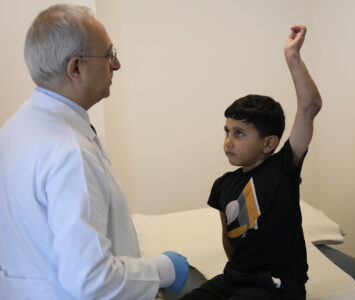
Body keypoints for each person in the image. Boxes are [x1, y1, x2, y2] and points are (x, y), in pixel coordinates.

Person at [0, 4, 188, 300]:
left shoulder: (13, 130)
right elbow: (91, 280)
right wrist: (164, 269)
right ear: (76, 68)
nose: (117, 65)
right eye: (109, 54)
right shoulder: (68, 150)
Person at [180, 25, 322, 300]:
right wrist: (237, 272)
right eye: (227, 131)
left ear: (269, 143)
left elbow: (310, 107)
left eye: (239, 133)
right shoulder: (223, 185)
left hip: (277, 284)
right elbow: (229, 237)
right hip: (235, 278)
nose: (228, 141)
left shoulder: (283, 168)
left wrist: (293, 58)